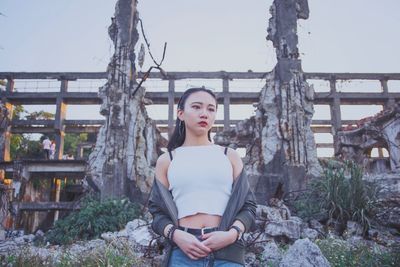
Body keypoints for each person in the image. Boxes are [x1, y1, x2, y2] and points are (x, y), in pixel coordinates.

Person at [148, 88, 256, 267]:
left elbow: (249, 206)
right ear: (181, 114)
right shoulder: (167, 160)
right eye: (197, 107)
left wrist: (232, 234)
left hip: (227, 252)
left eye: (211, 109)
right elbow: (157, 213)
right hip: (183, 252)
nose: (204, 114)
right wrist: (176, 235)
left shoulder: (229, 156)